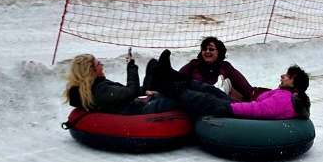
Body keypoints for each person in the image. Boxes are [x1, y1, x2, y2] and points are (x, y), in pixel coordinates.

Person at [152, 50, 310, 120]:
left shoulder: (286, 98)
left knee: (203, 98)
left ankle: (163, 84)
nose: (283, 76)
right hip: (240, 110)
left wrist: (231, 107)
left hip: (240, 115)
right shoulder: (286, 96)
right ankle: (171, 75)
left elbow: (261, 109)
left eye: (288, 76)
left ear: (295, 85)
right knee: (209, 90)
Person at [63, 52, 178, 115]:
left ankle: (164, 79)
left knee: (165, 86)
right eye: (99, 64)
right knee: (179, 97)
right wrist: (131, 67)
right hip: (137, 111)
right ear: (90, 71)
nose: (102, 66)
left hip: (134, 105)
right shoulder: (100, 91)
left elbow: (122, 93)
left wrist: (144, 91)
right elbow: (130, 92)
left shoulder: (95, 87)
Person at [177, 36, 254, 101]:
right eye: (204, 49)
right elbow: (176, 79)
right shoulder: (193, 64)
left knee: (227, 85)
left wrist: (255, 98)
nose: (207, 51)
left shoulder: (225, 67)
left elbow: (244, 87)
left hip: (219, 102)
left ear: (219, 52)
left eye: (211, 49)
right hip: (196, 100)